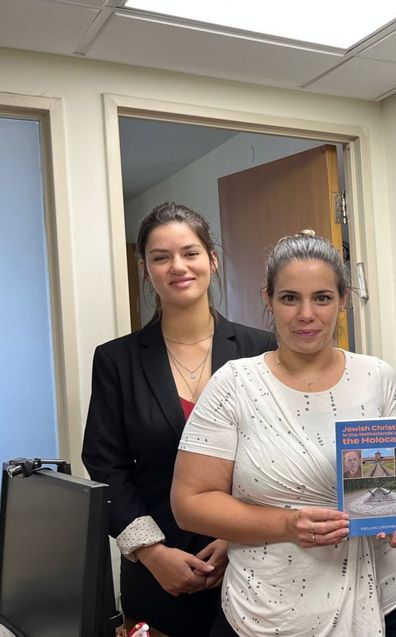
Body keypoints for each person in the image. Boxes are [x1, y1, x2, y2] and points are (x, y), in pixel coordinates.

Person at [170, 231, 396, 637]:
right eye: (290, 298)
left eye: (322, 298)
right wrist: (288, 525)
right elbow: (189, 503)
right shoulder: (235, 384)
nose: (306, 314)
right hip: (269, 611)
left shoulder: (376, 377)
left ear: (343, 300)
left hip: (386, 602)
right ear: (268, 299)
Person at [82, 202, 276, 636]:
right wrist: (152, 554)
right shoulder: (117, 360)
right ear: (146, 269)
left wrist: (238, 537)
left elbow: (283, 456)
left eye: (189, 252)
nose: (177, 266)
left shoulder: (262, 349)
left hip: (254, 570)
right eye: (160, 257)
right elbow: (105, 465)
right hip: (158, 580)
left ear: (211, 259)